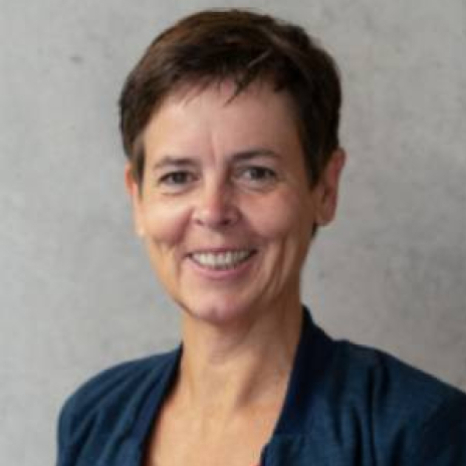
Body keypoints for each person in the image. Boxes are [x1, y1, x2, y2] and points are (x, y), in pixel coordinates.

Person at [56, 9, 466, 466]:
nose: (213, 212)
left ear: (325, 189)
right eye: (177, 177)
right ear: (138, 199)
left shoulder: (414, 431)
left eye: (256, 173)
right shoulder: (94, 419)